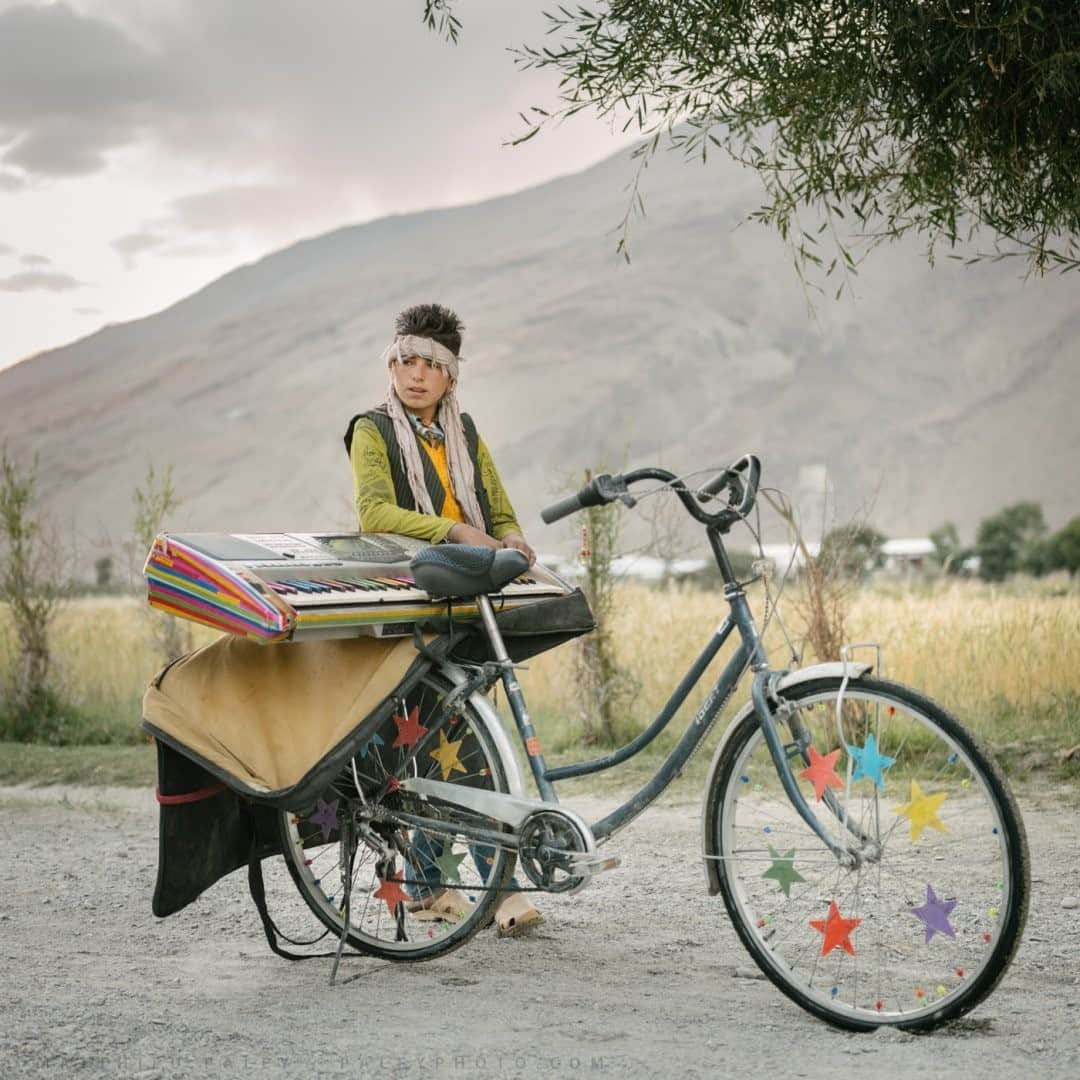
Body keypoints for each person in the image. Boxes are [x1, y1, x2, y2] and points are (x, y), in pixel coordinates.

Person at [345, 302, 542, 936]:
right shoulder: (371, 430)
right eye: (405, 360)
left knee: (446, 744)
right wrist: (458, 531)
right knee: (446, 746)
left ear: (451, 376)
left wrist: (509, 540)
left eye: (431, 364)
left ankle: (433, 889)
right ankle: (498, 888)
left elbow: (500, 508)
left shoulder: (467, 433)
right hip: (412, 600)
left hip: (472, 600)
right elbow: (375, 515)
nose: (416, 374)